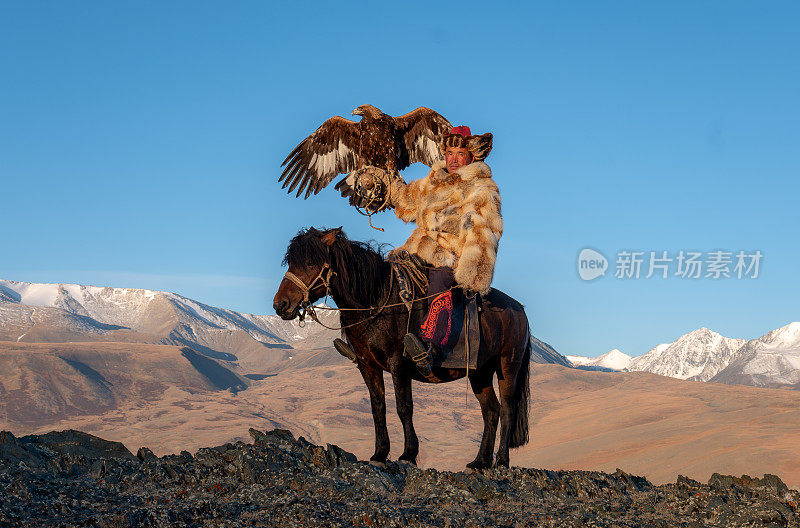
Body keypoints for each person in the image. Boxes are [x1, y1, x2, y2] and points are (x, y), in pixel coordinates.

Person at [333, 126, 502, 378]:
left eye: (460, 153)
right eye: (449, 152)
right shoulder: (431, 182)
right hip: (415, 250)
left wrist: (471, 272)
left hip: (450, 256)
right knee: (382, 278)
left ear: (472, 156)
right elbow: (405, 201)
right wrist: (382, 184)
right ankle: (363, 346)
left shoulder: (481, 190)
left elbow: (483, 233)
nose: (453, 158)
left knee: (439, 282)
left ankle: (430, 348)